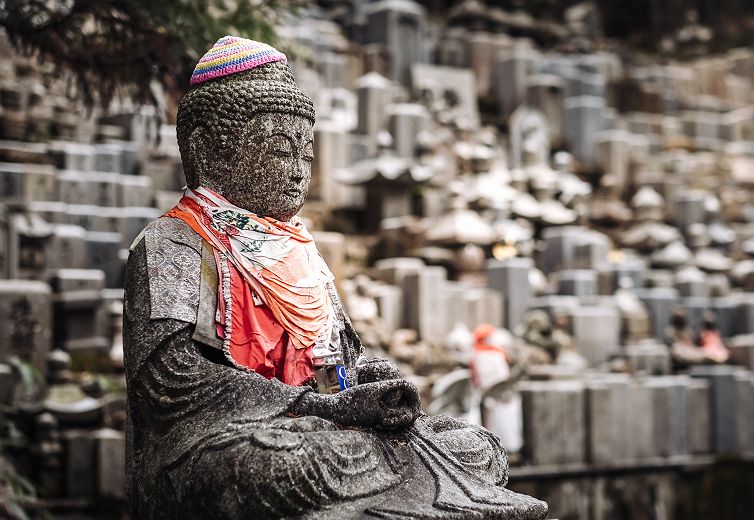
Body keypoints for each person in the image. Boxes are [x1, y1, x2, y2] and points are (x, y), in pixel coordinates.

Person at [123, 36, 546, 519]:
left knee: (472, 445)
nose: (299, 172)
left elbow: (337, 362)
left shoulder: (299, 251)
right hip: (225, 438)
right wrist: (313, 407)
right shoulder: (172, 243)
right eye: (281, 150)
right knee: (283, 463)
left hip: (321, 425)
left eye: (307, 152)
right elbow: (170, 384)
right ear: (208, 150)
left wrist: (368, 383)